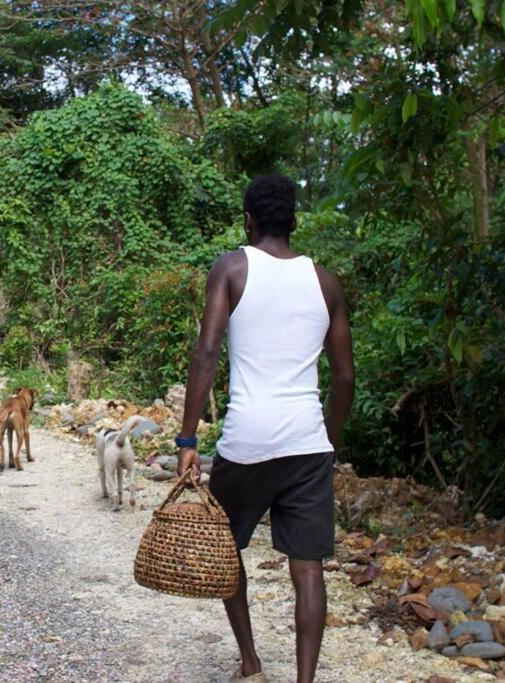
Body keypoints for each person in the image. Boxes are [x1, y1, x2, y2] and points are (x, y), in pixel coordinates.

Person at [174, 174, 354, 683]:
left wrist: (187, 441)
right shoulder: (325, 282)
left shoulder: (232, 268)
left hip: (247, 442)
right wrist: (329, 442)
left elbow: (207, 352)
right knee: (308, 567)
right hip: (306, 443)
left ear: (248, 219)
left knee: (227, 550)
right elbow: (344, 378)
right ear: (292, 220)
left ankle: (251, 663)